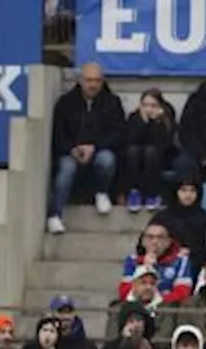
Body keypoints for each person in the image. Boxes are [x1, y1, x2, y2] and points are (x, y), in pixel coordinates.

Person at [47, 63, 124, 234]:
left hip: (99, 151)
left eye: (97, 80)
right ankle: (54, 215)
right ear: (80, 80)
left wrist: (94, 147)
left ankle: (102, 193)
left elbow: (118, 134)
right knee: (66, 168)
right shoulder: (65, 102)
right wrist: (72, 149)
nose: (93, 85)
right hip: (71, 152)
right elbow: (57, 134)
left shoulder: (112, 102)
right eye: (89, 80)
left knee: (107, 159)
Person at [122, 89, 175, 212]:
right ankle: (134, 192)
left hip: (160, 157)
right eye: (145, 105)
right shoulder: (134, 117)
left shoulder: (166, 118)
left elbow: (164, 144)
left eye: (153, 105)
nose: (148, 109)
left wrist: (155, 123)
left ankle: (152, 193)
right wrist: (144, 123)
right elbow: (131, 140)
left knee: (151, 151)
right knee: (133, 151)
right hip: (136, 157)